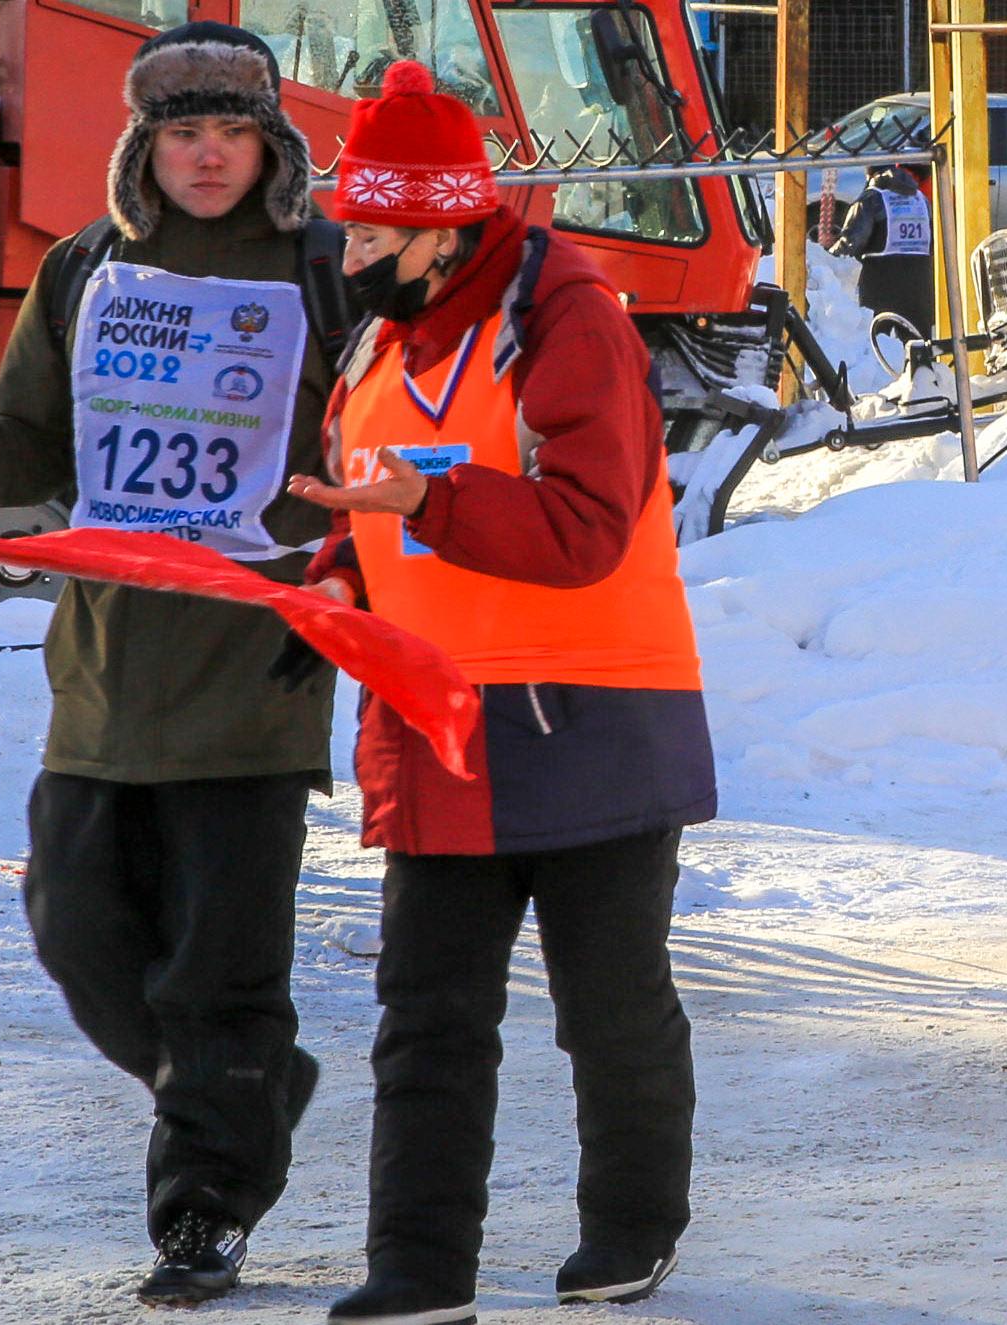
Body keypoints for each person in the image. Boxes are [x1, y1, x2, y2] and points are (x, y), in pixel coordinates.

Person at [0, 21, 345, 1306]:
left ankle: (205, 1205)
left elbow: (383, 445)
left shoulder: (323, 270)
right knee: (77, 933)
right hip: (105, 673)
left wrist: (343, 546)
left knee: (217, 971)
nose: (206, 156)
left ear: (270, 142)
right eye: (182, 131)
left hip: (259, 670)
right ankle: (245, 1089)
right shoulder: (86, 270)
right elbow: (34, 449)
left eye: (230, 131)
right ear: (145, 141)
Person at [287, 63, 717, 1320]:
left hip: (590, 715)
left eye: (369, 230)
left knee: (609, 1006)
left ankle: (632, 1230)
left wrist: (427, 501)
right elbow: (374, 506)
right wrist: (326, 580)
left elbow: (588, 525)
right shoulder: (381, 335)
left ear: (439, 229)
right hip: (439, 721)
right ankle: (418, 1272)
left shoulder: (568, 314)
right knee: (425, 1016)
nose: (346, 249)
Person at [840, 163, 936, 339]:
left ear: (870, 174)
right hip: (920, 284)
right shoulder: (921, 199)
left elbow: (851, 242)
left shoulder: (871, 198)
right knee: (919, 347)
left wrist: (826, 256)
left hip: (880, 285)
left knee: (878, 346)